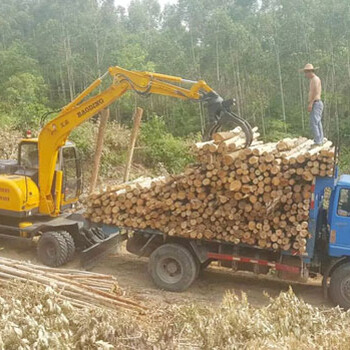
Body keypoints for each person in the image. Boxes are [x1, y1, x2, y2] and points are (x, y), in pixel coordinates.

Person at [300, 63, 324, 145]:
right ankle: (320, 139)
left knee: (314, 122)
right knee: (317, 121)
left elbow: (316, 93)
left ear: (310, 72)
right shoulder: (312, 80)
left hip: (316, 103)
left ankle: (318, 140)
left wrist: (311, 103)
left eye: (306, 72)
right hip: (315, 103)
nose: (305, 75)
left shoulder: (315, 79)